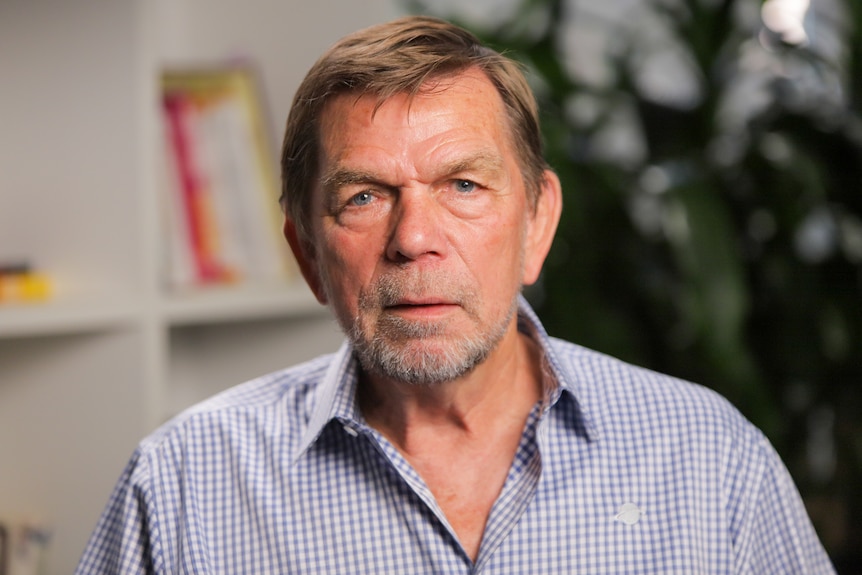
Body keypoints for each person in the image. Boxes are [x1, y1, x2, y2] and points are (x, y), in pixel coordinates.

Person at [77, 15, 835, 574]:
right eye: (365, 196)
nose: (414, 238)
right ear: (307, 254)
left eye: (463, 185)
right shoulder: (182, 485)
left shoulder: (709, 460)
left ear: (537, 222)